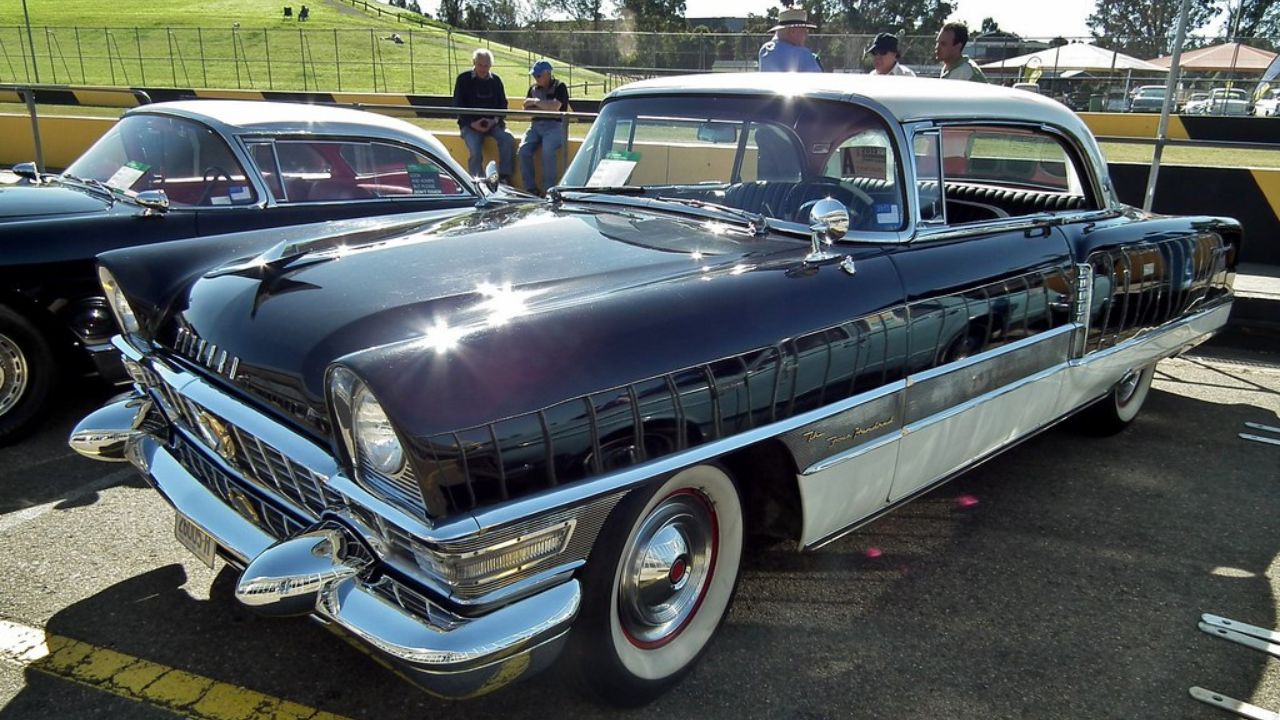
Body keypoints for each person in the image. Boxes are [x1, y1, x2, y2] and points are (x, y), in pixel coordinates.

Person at [453, 48, 515, 181]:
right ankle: (478, 181)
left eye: (486, 65)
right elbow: (457, 105)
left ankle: (504, 177)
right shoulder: (463, 79)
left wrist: (494, 121)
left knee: (508, 139)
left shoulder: (496, 81)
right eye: (479, 64)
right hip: (470, 125)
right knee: (475, 149)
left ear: (490, 65)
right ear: (474, 63)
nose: (482, 68)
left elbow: (503, 104)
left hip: (493, 124)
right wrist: (472, 123)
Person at [518, 60, 570, 195]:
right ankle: (530, 189)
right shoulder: (532, 89)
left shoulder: (560, 87)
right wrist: (544, 104)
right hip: (535, 126)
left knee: (547, 151)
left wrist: (535, 102)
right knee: (523, 150)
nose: (536, 78)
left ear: (548, 74)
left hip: (555, 126)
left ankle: (549, 190)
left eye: (539, 75)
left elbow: (555, 107)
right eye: (534, 75)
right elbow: (525, 108)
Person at [758, 7, 822, 73]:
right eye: (804, 30)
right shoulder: (804, 54)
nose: (806, 35)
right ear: (792, 32)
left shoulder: (764, 50)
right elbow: (818, 82)